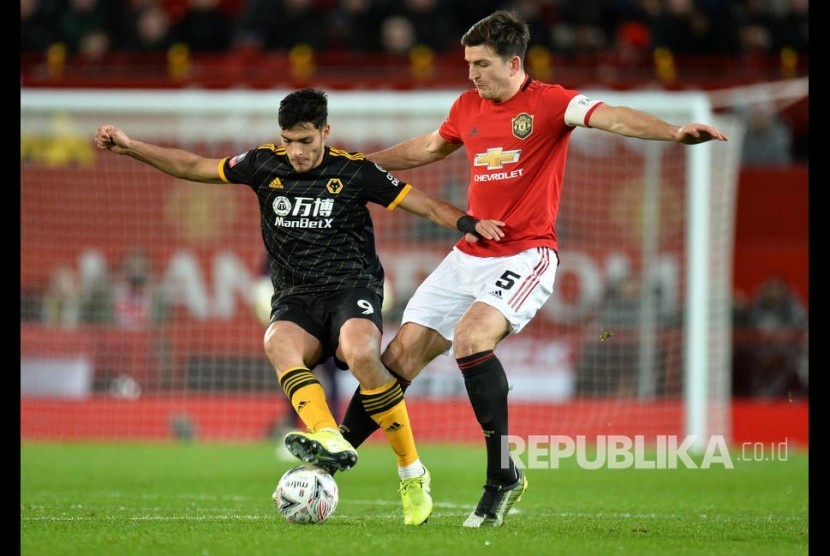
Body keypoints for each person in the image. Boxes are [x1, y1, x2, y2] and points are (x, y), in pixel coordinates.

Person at [335, 9, 729, 529]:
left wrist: (675, 132)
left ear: (513, 62)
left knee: (472, 339)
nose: (471, 73)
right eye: (468, 63)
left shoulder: (551, 103)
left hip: (527, 254)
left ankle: (502, 474)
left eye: (481, 64)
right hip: (469, 252)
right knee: (399, 356)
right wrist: (358, 166)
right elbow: (429, 147)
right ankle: (333, 454)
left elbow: (613, 116)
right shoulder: (467, 105)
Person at [93, 87, 505, 527]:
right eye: (288, 140)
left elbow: (421, 203)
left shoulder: (354, 171)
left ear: (325, 132)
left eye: (305, 141)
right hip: (295, 297)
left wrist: (467, 223)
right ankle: (327, 434)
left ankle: (411, 472)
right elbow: (194, 166)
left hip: (351, 289)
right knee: (276, 342)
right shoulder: (262, 164)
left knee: (363, 354)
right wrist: (132, 147)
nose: (296, 151)